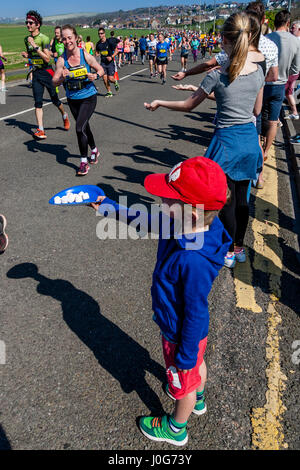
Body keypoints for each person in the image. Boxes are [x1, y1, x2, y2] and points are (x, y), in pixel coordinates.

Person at [88, 156, 231, 446]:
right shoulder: (187, 225)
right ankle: (198, 397)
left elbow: (195, 311)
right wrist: (109, 207)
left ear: (190, 214)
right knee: (195, 370)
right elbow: (146, 220)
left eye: (168, 200)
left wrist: (184, 358)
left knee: (182, 382)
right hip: (189, 333)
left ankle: (176, 427)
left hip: (181, 333)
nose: (160, 202)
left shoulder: (193, 260)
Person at [145, 13, 265, 269]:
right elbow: (257, 110)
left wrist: (160, 102)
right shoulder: (258, 72)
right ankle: (239, 247)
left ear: (223, 40)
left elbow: (188, 107)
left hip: (226, 143)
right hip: (249, 140)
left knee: (224, 200)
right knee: (243, 199)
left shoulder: (217, 75)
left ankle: (228, 248)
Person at [52, 25, 105, 176]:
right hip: (72, 99)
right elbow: (54, 81)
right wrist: (62, 76)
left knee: (79, 128)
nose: (67, 41)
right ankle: (94, 150)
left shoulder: (85, 55)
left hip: (89, 97)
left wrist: (96, 76)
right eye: (64, 38)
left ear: (75, 37)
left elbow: (100, 69)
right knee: (84, 126)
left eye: (70, 37)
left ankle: (83, 162)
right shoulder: (62, 60)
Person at [21, 11, 70, 140]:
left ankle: (64, 115)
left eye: (30, 22)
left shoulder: (44, 38)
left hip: (47, 73)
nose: (28, 25)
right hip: (36, 73)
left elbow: (47, 59)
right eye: (26, 22)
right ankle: (41, 130)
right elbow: (33, 56)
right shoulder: (27, 39)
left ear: (37, 24)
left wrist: (34, 45)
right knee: (38, 102)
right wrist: (28, 55)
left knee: (55, 100)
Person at [261, 10, 300, 159]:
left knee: (258, 117)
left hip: (264, 83)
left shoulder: (267, 38)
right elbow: (296, 68)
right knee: (272, 120)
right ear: (288, 23)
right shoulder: (295, 41)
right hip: (280, 84)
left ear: (274, 23)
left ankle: (259, 149)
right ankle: (265, 151)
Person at [95, 27, 119, 98]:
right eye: (99, 34)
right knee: (104, 79)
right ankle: (109, 92)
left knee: (110, 78)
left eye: (101, 33)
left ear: (104, 34)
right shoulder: (98, 44)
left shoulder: (109, 42)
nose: (100, 35)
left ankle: (115, 82)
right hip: (103, 63)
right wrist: (97, 54)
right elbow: (96, 52)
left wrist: (111, 56)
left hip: (110, 63)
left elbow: (116, 51)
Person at [284, 21, 300, 120]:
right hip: (294, 70)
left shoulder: (296, 41)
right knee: (289, 91)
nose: (291, 29)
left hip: (293, 71)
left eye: (293, 28)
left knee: (288, 91)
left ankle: (294, 112)